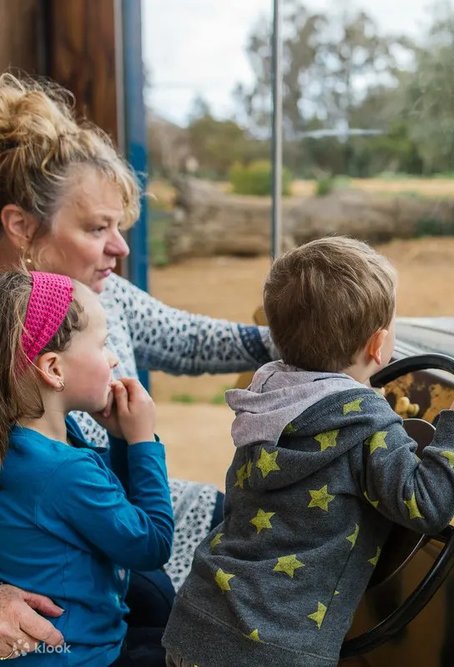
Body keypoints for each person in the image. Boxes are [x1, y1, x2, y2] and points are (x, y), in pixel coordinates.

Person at [0, 71, 277, 653]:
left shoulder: (104, 294)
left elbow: (191, 340)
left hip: (120, 515)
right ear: (22, 228)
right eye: (98, 228)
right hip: (69, 566)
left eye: (119, 226)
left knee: (270, 523)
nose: (121, 247)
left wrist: (296, 341)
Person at [162, 237, 454, 666]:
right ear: (378, 346)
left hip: (198, 622)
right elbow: (429, 505)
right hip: (274, 652)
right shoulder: (367, 423)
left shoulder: (264, 403)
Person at [0, 271, 173, 665]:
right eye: (103, 343)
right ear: (54, 369)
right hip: (81, 655)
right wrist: (141, 441)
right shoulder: (62, 470)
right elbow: (151, 544)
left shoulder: (24, 442)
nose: (112, 357)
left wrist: (118, 440)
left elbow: (111, 513)